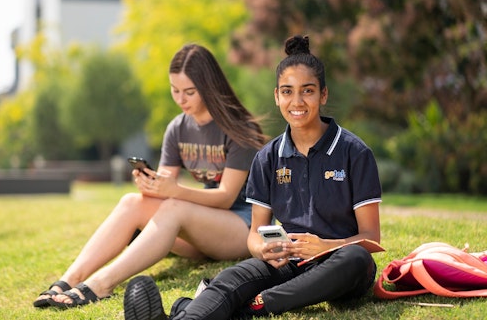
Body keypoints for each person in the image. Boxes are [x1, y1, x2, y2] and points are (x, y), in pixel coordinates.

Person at [123, 34, 382, 320]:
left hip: (340, 264)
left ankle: (253, 307)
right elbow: (254, 235)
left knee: (355, 259)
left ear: (323, 95)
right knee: (231, 279)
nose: (296, 101)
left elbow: (371, 239)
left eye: (307, 91)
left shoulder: (354, 153)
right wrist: (265, 248)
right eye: (287, 91)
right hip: (289, 262)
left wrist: (325, 246)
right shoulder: (267, 157)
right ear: (276, 96)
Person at [33, 43, 267, 309]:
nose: (181, 99)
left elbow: (225, 198)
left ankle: (100, 284)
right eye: (175, 90)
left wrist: (173, 191)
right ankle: (68, 280)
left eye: (189, 92)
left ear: (209, 87)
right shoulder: (178, 128)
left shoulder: (238, 129)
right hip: (200, 232)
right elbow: (163, 190)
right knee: (131, 202)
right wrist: (151, 185)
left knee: (174, 206)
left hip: (241, 228)